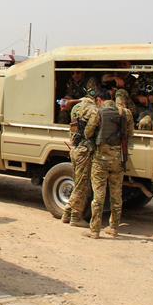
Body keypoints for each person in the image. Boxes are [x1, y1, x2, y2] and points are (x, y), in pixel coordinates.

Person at [83, 89, 134, 239]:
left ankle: (95, 230)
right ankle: (114, 228)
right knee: (116, 195)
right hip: (118, 160)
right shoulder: (126, 113)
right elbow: (130, 134)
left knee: (98, 196)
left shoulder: (98, 113)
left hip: (100, 160)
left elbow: (88, 133)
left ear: (100, 100)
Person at [62, 90, 98, 227]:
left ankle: (66, 214)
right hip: (84, 150)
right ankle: (75, 217)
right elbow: (89, 133)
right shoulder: (93, 110)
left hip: (75, 149)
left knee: (78, 182)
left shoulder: (76, 108)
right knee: (82, 185)